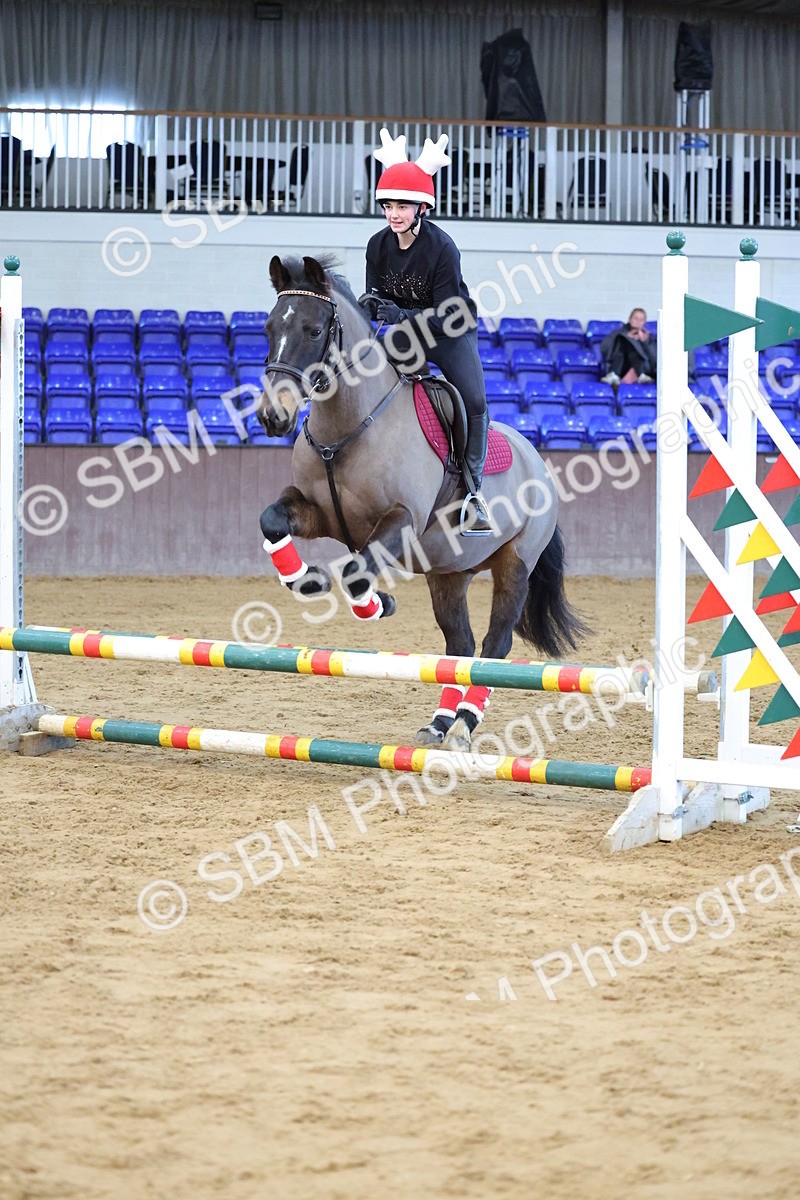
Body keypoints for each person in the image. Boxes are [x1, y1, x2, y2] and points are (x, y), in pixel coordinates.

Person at [358, 129, 492, 536]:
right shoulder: (377, 245)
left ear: (421, 208)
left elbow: (446, 313)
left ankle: (473, 493)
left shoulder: (442, 247)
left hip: (450, 331)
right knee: (370, 380)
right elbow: (375, 299)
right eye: (389, 205)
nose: (394, 213)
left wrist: (400, 313)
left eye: (403, 205)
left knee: (474, 400)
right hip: (409, 332)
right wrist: (370, 307)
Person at [600, 308, 657, 386]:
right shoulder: (618, 333)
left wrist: (645, 342)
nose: (638, 321)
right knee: (624, 340)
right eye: (636, 318)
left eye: (641, 319)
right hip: (621, 367)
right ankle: (615, 374)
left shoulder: (648, 338)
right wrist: (628, 337)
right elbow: (605, 348)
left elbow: (655, 359)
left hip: (644, 368)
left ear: (644, 322)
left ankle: (641, 374)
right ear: (630, 319)